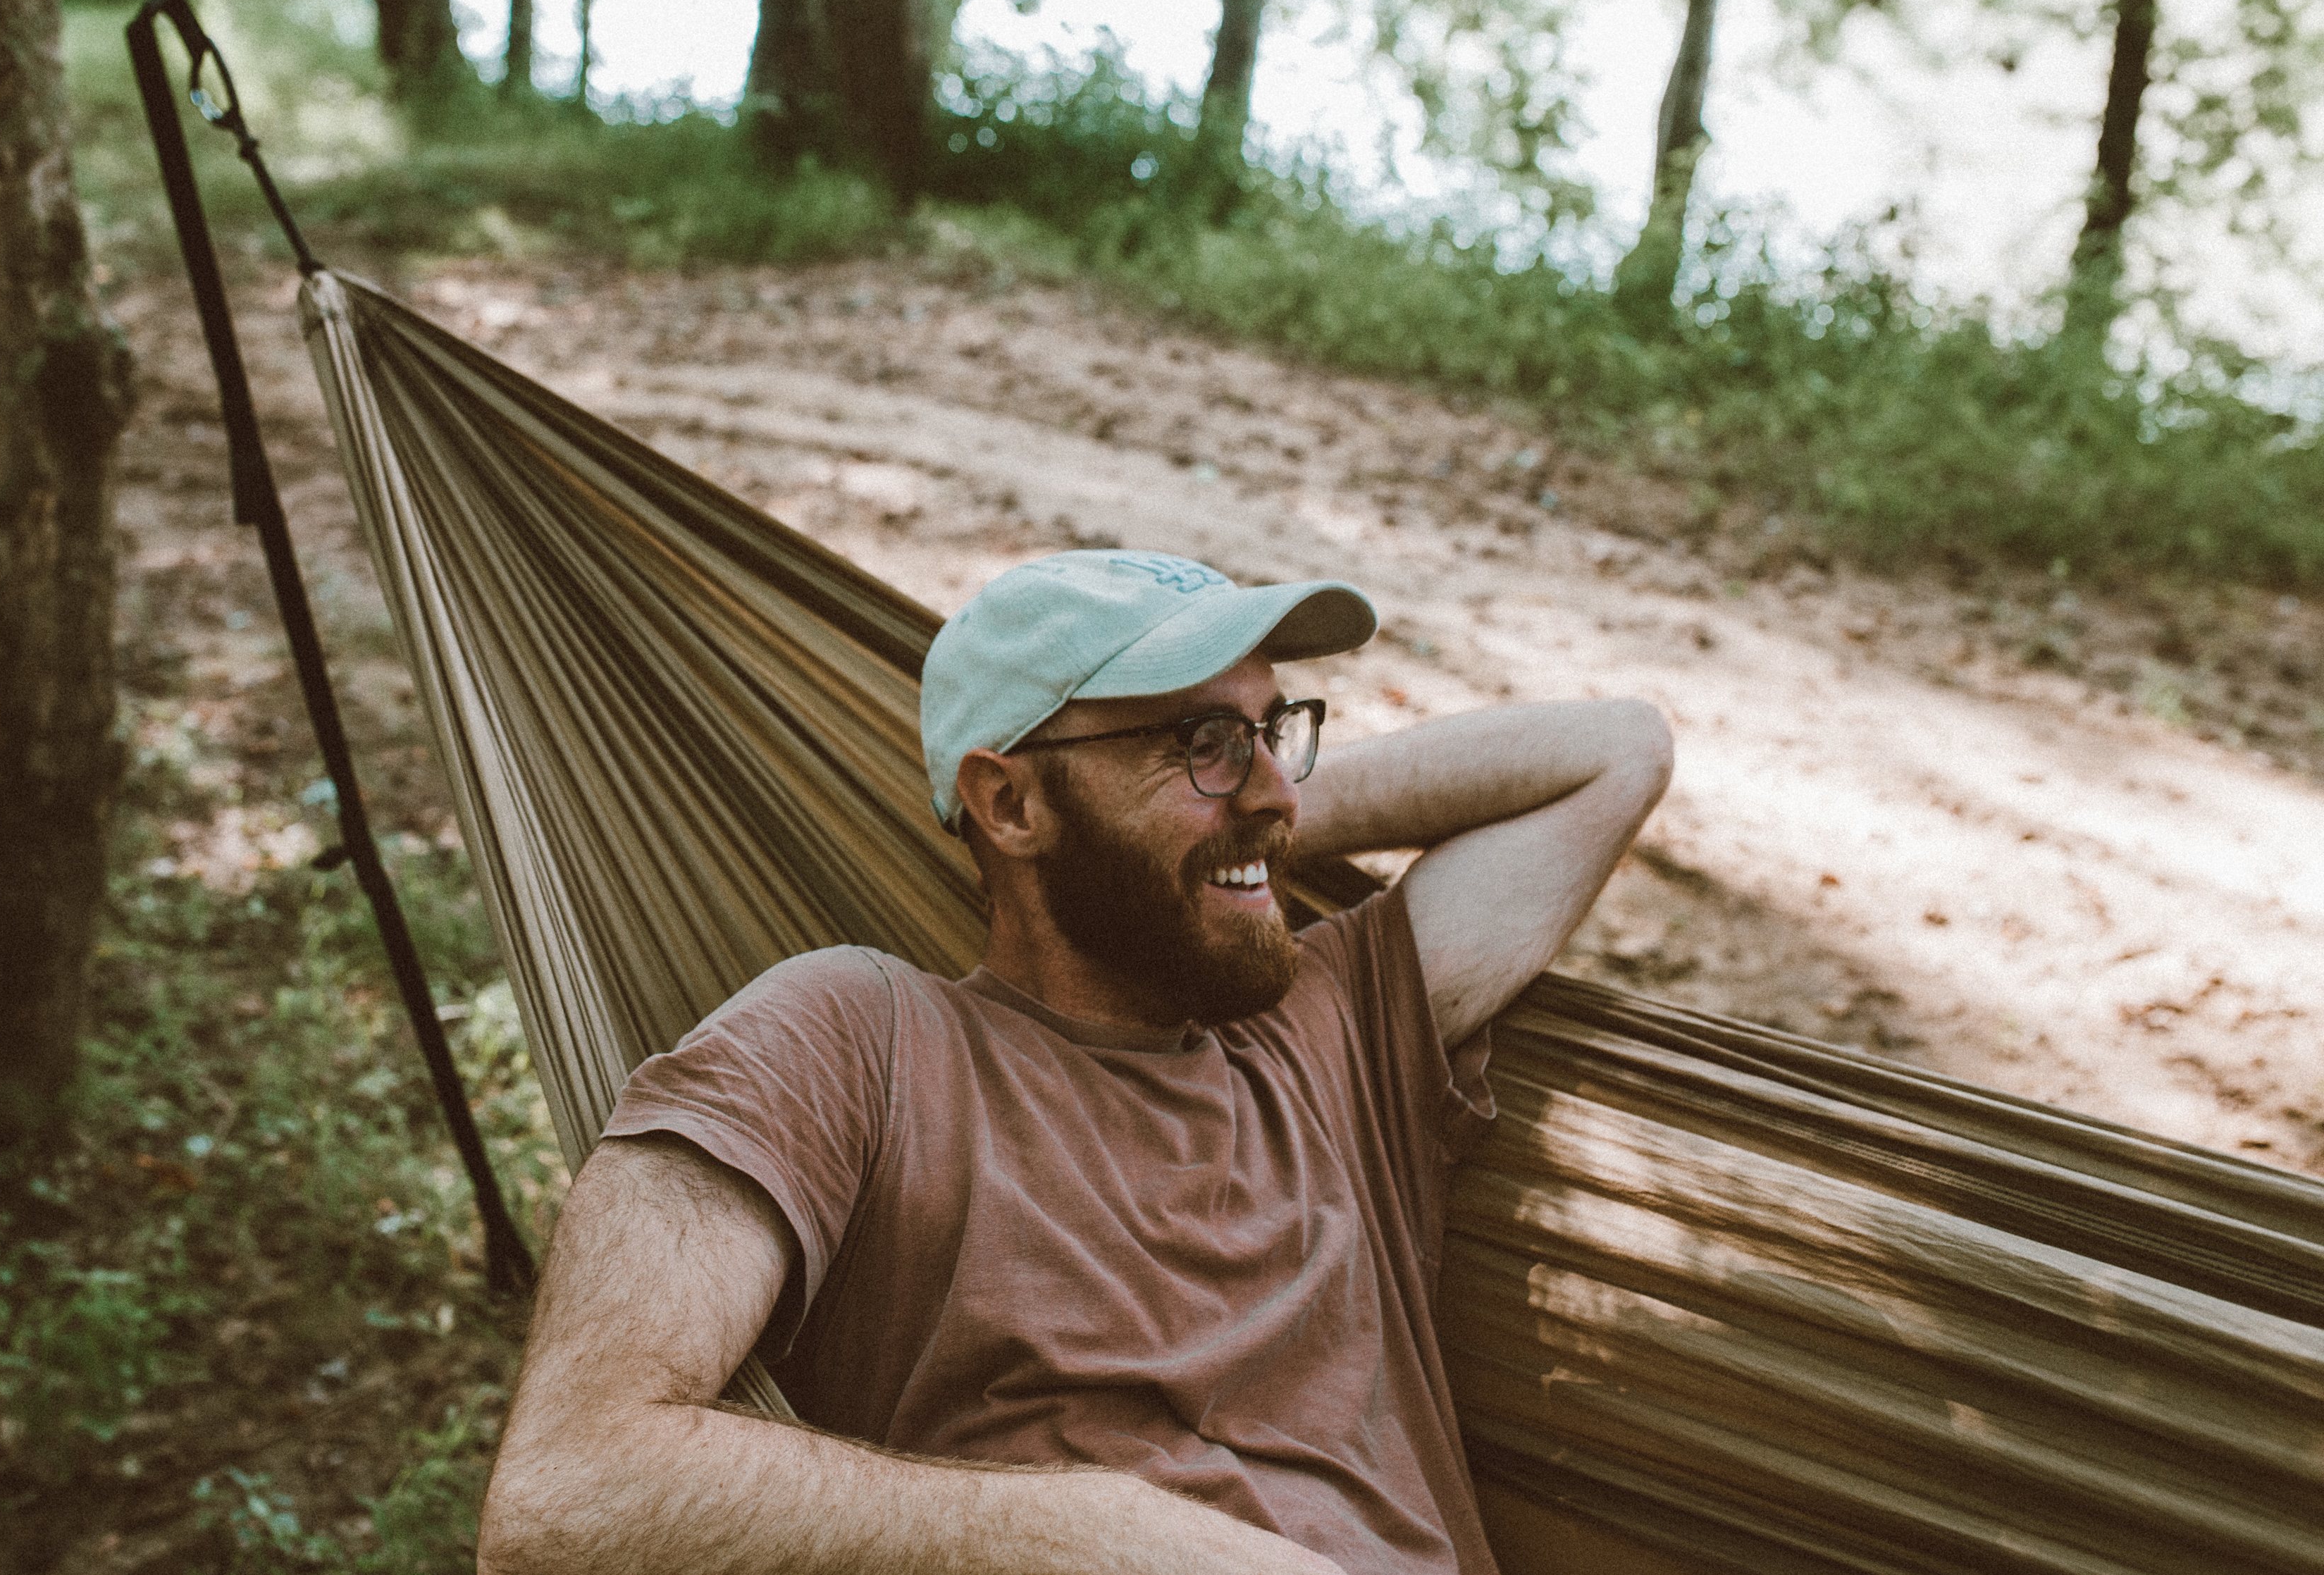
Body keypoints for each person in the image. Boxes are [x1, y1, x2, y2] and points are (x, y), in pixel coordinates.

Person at [476, 548, 1674, 1575]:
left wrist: (1231, 827)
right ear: (1007, 806)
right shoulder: (859, 1041)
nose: (1270, 787)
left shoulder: (1330, 1028)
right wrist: (1109, 1542)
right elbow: (566, 1492)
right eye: (1201, 740)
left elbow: (1611, 754)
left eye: (1273, 732)